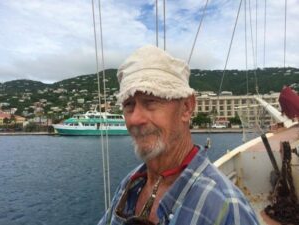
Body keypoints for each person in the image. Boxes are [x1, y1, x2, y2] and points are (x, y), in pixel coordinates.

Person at [98, 45, 259, 225]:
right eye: (129, 104)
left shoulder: (227, 209)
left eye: (151, 101)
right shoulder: (130, 184)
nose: (135, 119)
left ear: (186, 108)